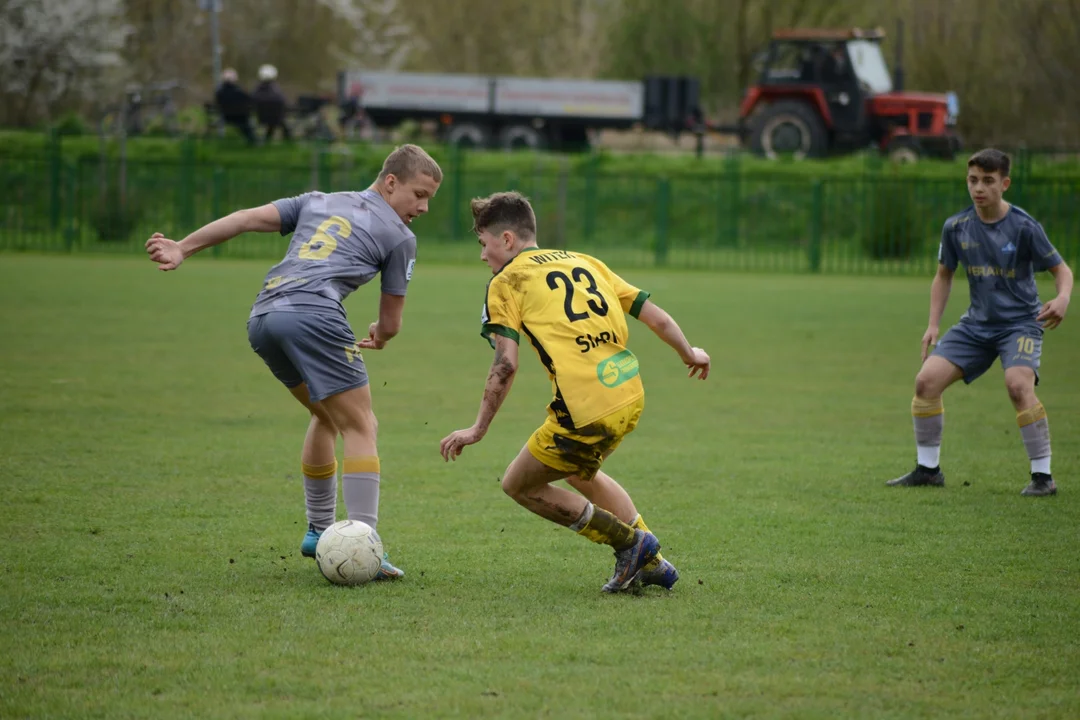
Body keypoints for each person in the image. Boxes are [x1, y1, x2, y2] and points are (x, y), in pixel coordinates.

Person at [145, 144, 442, 577]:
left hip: (265, 315)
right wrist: (382, 332)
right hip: (314, 313)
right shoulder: (400, 237)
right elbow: (392, 321)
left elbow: (246, 218)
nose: (424, 207)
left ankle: (319, 529)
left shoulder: (317, 201)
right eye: (419, 194)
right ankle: (364, 547)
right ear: (390, 182)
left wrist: (183, 248)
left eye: (429, 197)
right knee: (361, 425)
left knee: (326, 415)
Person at [439, 191, 711, 593]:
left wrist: (477, 429)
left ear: (508, 240)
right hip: (627, 392)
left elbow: (505, 363)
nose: (483, 256)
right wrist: (690, 352)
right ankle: (652, 562)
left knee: (519, 485)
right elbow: (654, 315)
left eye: (484, 244)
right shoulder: (585, 261)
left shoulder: (507, 281)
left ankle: (631, 544)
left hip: (584, 409)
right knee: (580, 471)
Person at [887, 148, 1073, 496]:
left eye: (988, 181)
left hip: (1020, 323)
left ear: (1005, 183)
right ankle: (928, 471)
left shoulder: (1023, 227)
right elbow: (943, 276)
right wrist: (932, 324)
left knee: (1018, 386)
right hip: (976, 325)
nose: (979, 188)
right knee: (925, 382)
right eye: (973, 180)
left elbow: (1062, 270)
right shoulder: (956, 227)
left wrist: (1062, 298)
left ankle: (1042, 478)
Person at [214, 68, 255, 145]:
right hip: (240, 117)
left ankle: (252, 140)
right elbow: (249, 100)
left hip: (226, 117)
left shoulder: (220, 92)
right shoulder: (238, 91)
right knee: (245, 123)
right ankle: (252, 140)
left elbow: (218, 103)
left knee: (243, 121)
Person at [252, 64, 291, 143]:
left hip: (263, 116)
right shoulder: (276, 90)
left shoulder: (257, 90)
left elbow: (253, 99)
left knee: (275, 122)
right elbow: (283, 101)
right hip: (277, 117)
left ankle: (268, 138)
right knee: (281, 122)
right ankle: (288, 138)